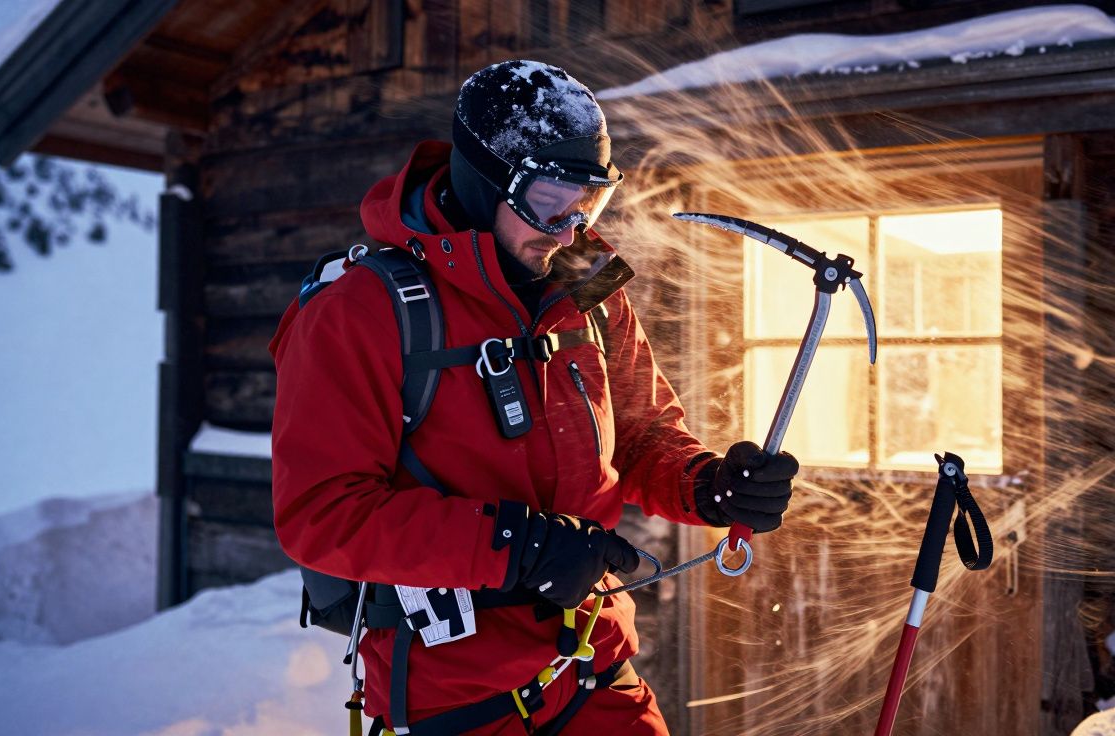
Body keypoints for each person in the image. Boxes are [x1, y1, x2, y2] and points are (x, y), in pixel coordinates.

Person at [269, 60, 799, 735]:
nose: (570, 230)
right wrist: (516, 544)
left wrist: (706, 484)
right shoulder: (361, 311)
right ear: (483, 179)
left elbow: (638, 434)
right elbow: (323, 514)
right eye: (551, 202)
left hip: (597, 673)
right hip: (458, 699)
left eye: (590, 203)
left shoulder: (584, 281)